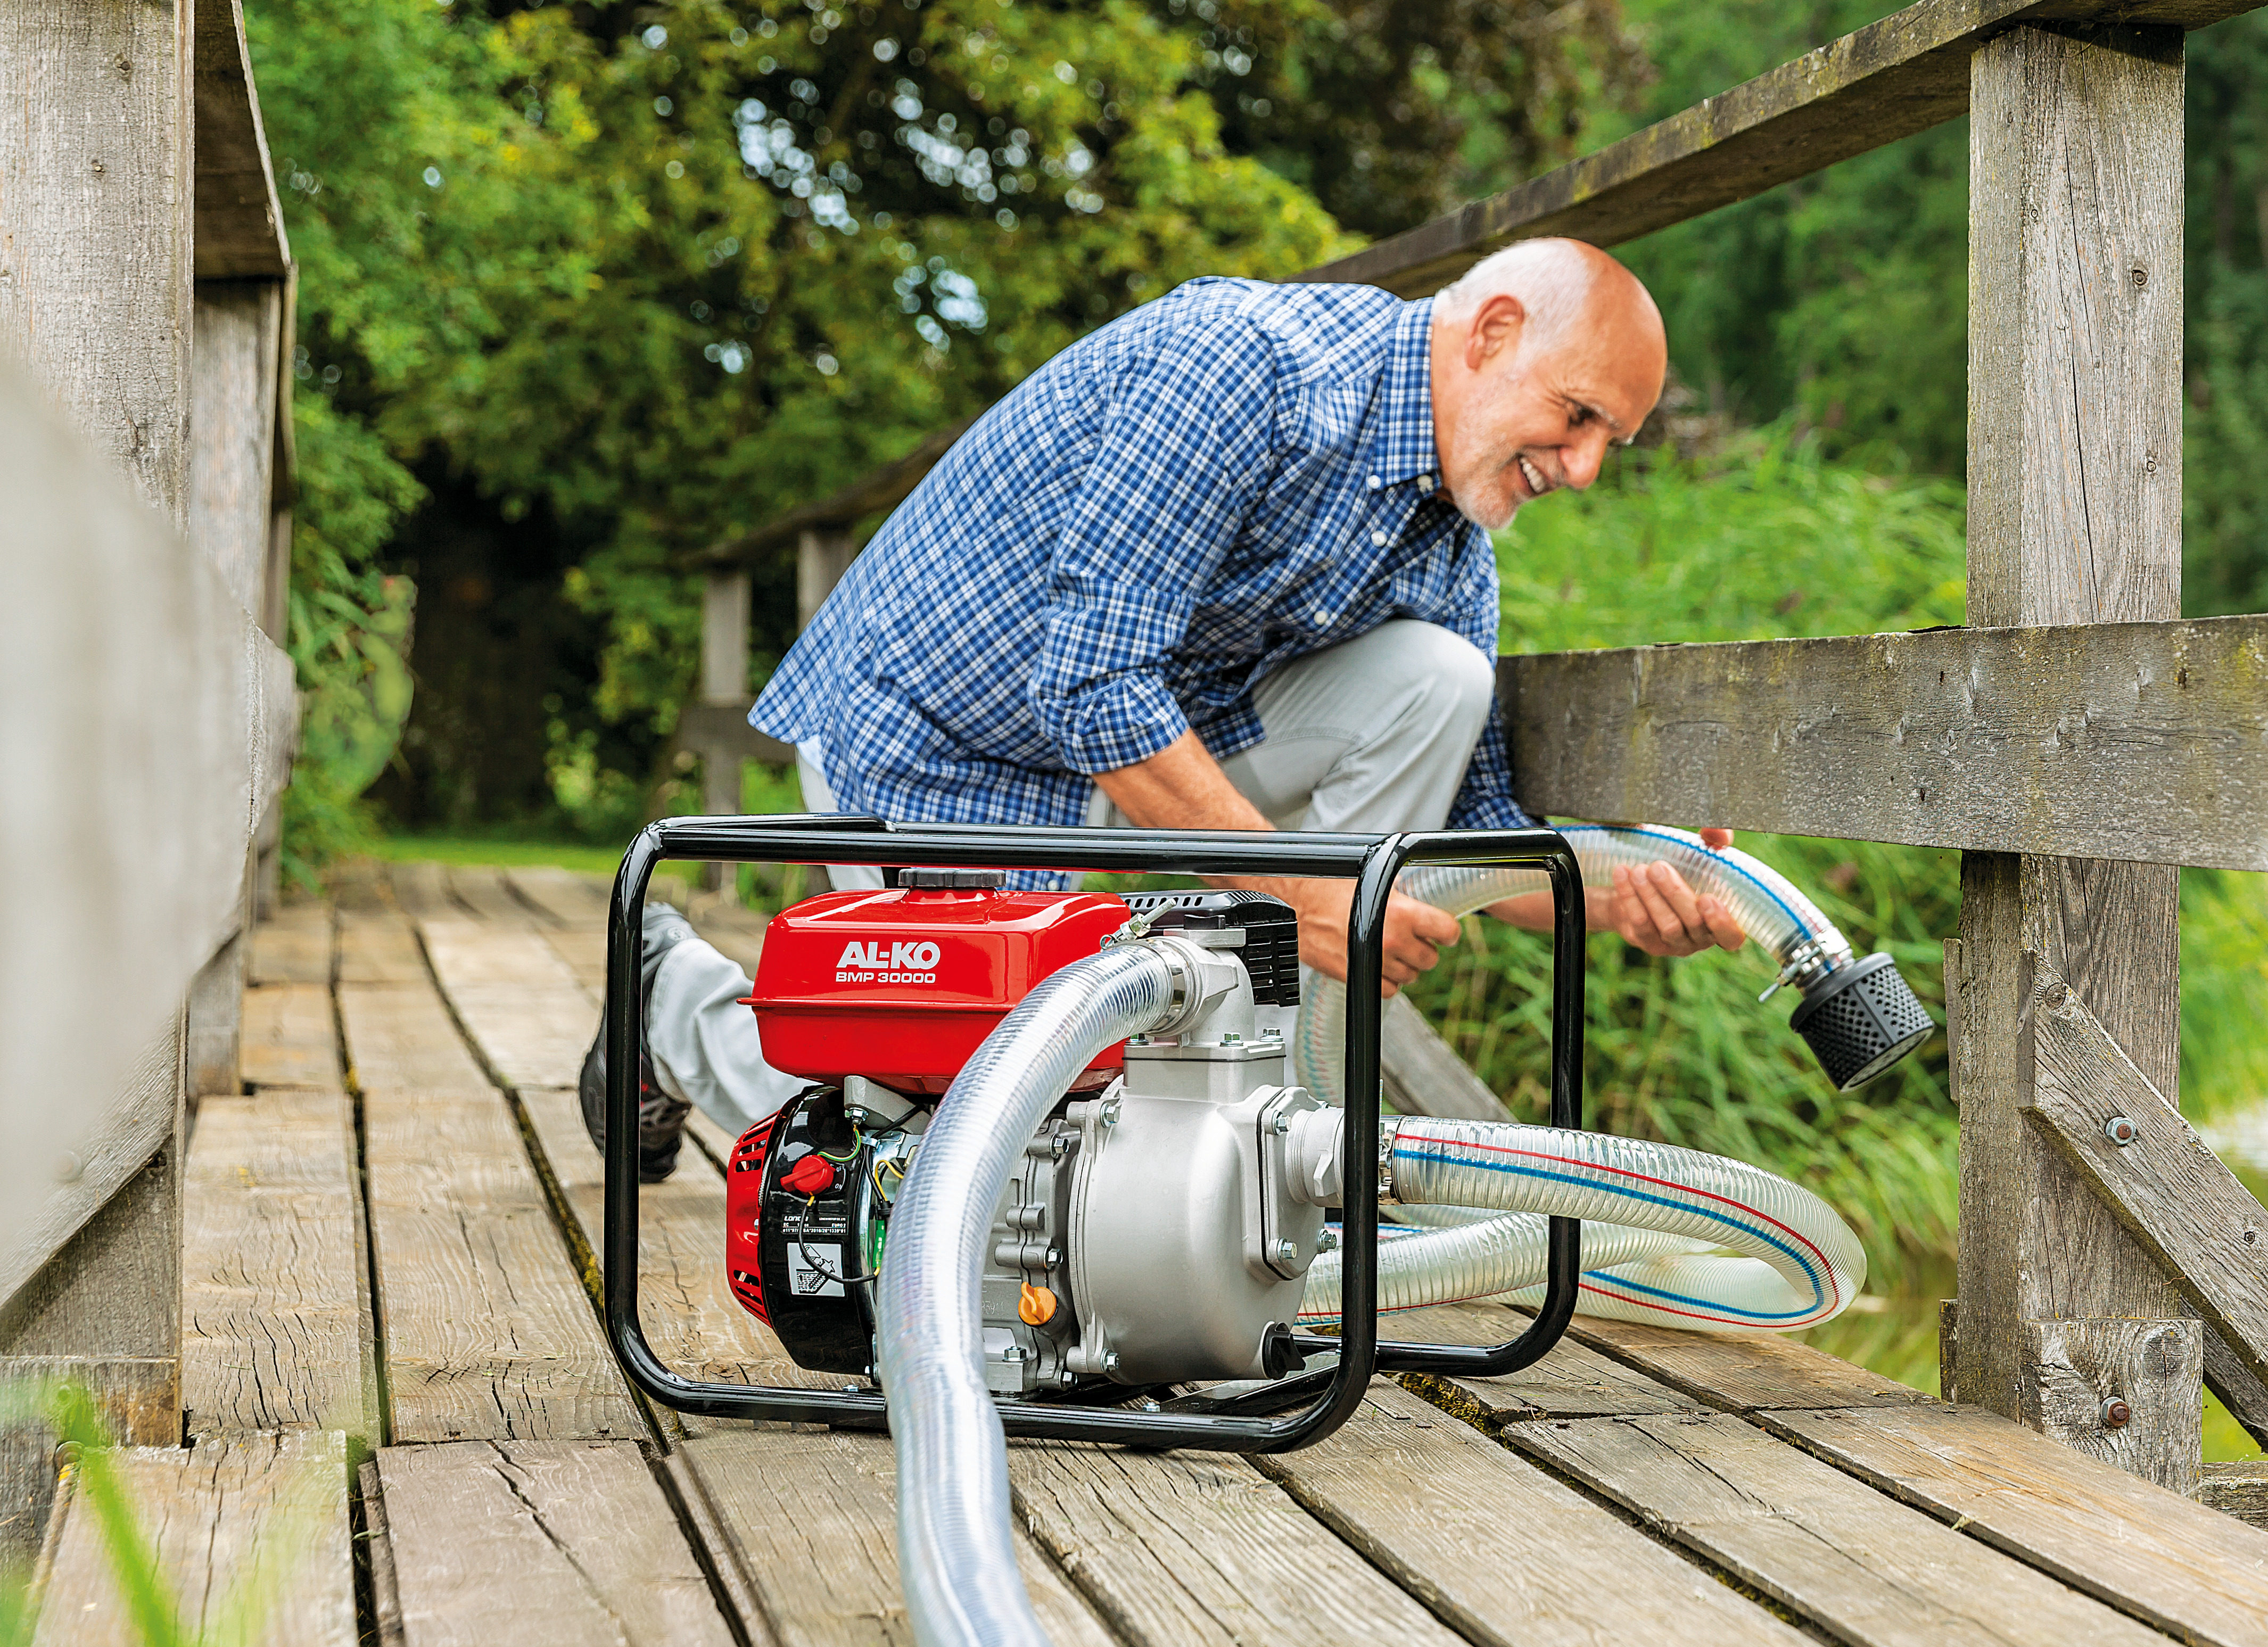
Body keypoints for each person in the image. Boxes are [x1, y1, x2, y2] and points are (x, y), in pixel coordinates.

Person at [584, 238, 1746, 1179]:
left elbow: (1469, 841)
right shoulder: (1244, 365)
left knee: (1438, 675)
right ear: (1493, 334)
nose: (1586, 470)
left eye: (1614, 445)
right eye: (1581, 415)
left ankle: (1274, 1157)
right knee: (957, 1163)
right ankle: (680, 1003)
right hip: (941, 742)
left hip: (1150, 763)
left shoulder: (1453, 547)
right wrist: (1309, 891)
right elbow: (1092, 683)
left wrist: (1615, 893)